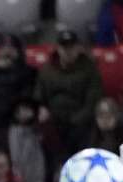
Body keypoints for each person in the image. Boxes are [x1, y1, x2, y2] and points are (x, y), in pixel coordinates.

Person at [36, 29, 103, 159]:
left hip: (79, 119)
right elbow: (39, 96)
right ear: (58, 48)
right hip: (53, 119)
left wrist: (77, 119)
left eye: (72, 47)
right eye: (64, 47)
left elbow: (93, 100)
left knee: (85, 130)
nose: (68, 51)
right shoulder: (47, 70)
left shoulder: (90, 69)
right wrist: (42, 109)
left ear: (78, 48)